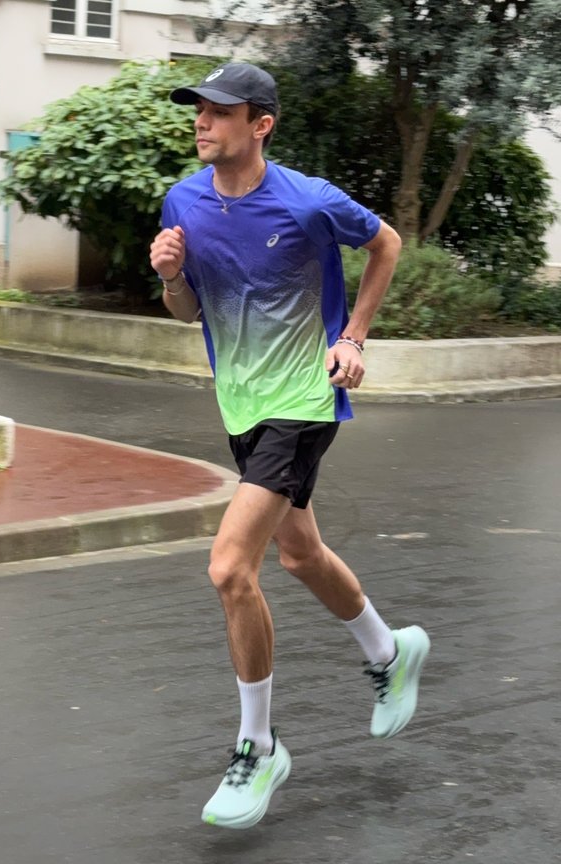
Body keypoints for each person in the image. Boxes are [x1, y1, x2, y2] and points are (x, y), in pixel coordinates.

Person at [150, 62, 430, 830]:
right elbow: (184, 311)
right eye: (198, 111)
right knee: (300, 553)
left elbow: (388, 244)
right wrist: (172, 278)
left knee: (229, 566)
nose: (202, 122)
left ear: (260, 123)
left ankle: (258, 746)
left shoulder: (308, 200)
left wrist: (354, 336)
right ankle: (388, 651)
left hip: (304, 399)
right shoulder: (183, 201)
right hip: (240, 403)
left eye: (218, 111)